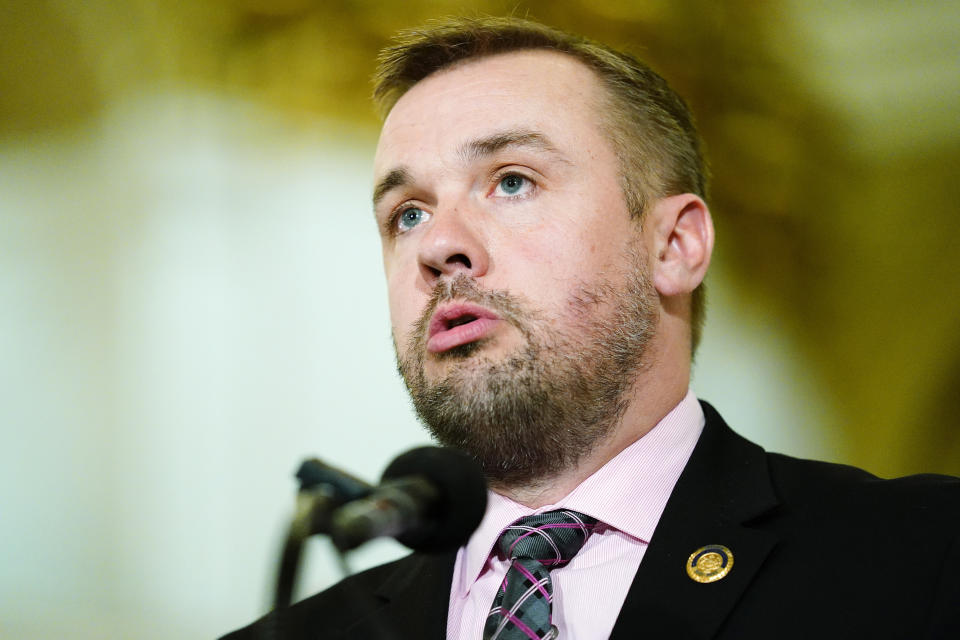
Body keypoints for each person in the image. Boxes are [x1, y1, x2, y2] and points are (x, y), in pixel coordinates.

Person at [222, 16, 960, 640]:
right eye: (405, 213)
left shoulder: (921, 558)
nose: (437, 243)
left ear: (674, 247)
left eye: (512, 181)